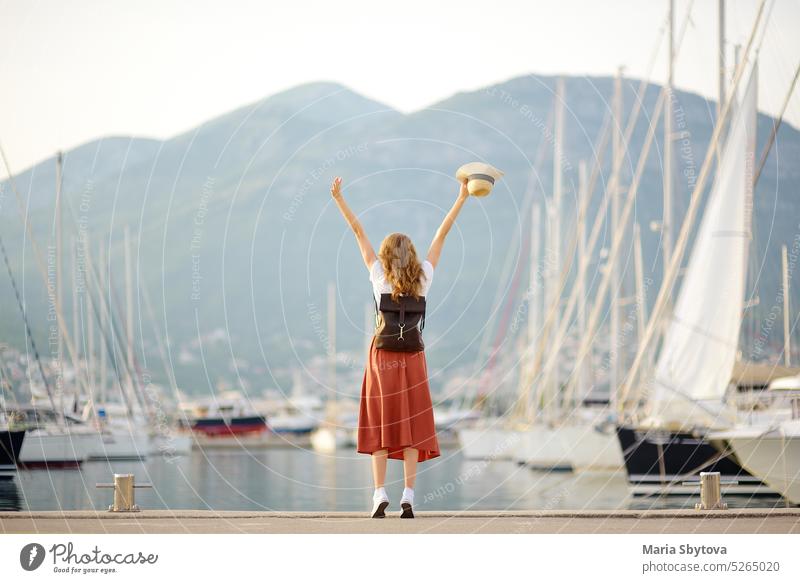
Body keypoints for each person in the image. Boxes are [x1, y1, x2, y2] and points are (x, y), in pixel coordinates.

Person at [330, 175, 470, 518]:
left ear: (386, 255)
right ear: (412, 256)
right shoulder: (423, 275)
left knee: (381, 423)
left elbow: (358, 232)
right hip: (413, 357)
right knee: (410, 424)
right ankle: (408, 493)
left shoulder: (379, 276)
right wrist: (462, 195)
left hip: (382, 357)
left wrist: (339, 199)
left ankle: (379, 492)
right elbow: (442, 234)